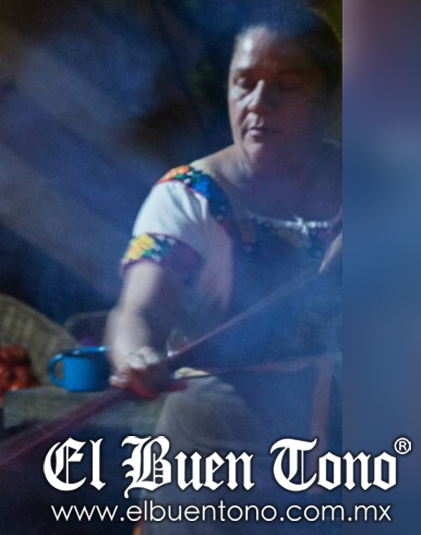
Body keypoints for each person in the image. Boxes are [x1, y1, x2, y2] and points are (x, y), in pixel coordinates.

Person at [105, 5, 341, 534]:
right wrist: (138, 353)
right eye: (245, 83)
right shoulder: (189, 196)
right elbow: (141, 308)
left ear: (330, 98)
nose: (259, 102)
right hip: (207, 470)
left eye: (287, 85)